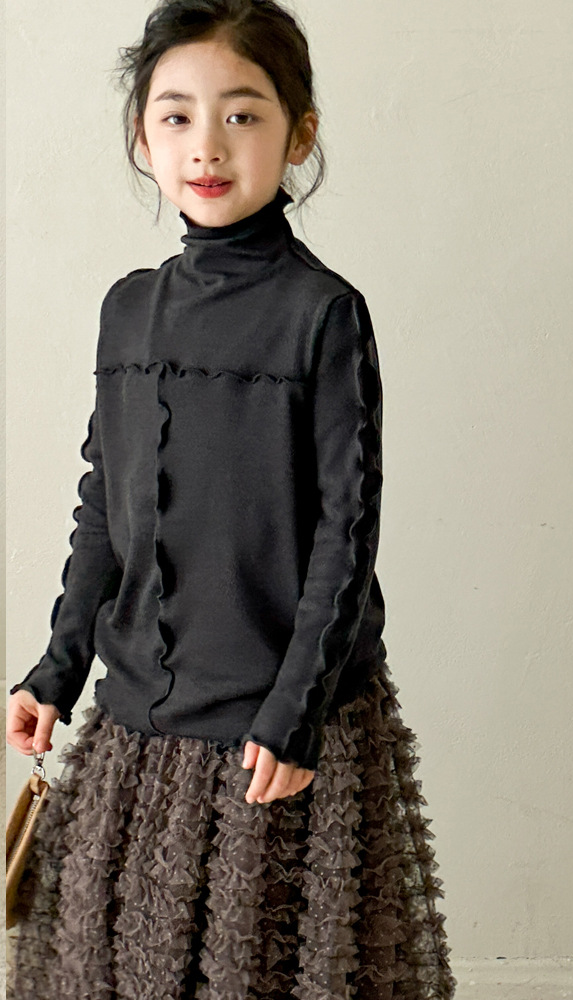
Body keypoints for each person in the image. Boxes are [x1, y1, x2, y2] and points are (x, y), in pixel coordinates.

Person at [5, 1, 456, 996]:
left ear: (299, 133)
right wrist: (58, 666)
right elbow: (105, 508)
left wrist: (294, 714)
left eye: (242, 114)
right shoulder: (128, 309)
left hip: (274, 731)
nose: (206, 145)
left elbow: (346, 532)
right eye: (176, 115)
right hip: (137, 729)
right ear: (143, 136)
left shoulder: (321, 314)